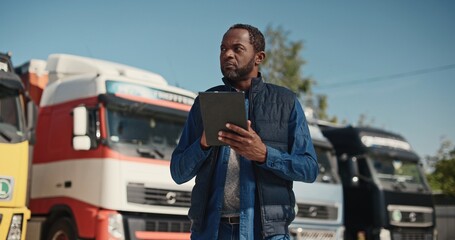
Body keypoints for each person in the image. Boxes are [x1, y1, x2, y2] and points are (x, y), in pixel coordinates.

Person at [170, 23, 318, 240]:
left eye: (237, 48)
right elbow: (178, 172)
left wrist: (265, 155)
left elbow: (309, 168)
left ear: (259, 57)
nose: (227, 54)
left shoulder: (286, 102)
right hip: (212, 232)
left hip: (267, 233)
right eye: (223, 49)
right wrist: (202, 144)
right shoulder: (204, 103)